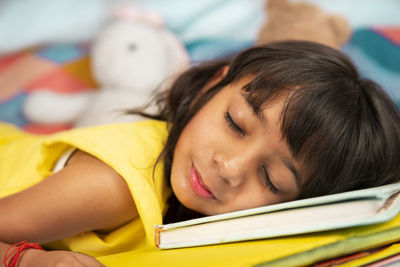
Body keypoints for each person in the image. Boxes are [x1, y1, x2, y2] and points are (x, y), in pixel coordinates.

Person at [1, 41, 400, 266]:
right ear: (213, 83)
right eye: (236, 123)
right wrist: (36, 263)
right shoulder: (114, 185)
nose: (229, 167)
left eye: (271, 179)